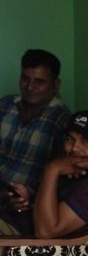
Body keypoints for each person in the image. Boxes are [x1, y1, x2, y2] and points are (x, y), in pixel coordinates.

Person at [0, 110, 88, 239]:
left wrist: (51, 170)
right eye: (70, 139)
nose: (74, 148)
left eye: (87, 141)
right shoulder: (76, 167)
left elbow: (45, 232)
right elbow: (53, 206)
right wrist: (30, 197)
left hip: (14, 238)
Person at [0, 49, 71, 207]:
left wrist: (31, 194)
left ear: (56, 85)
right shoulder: (5, 105)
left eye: (39, 81)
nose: (30, 87)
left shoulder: (62, 121)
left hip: (22, 203)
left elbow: (62, 176)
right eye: (25, 79)